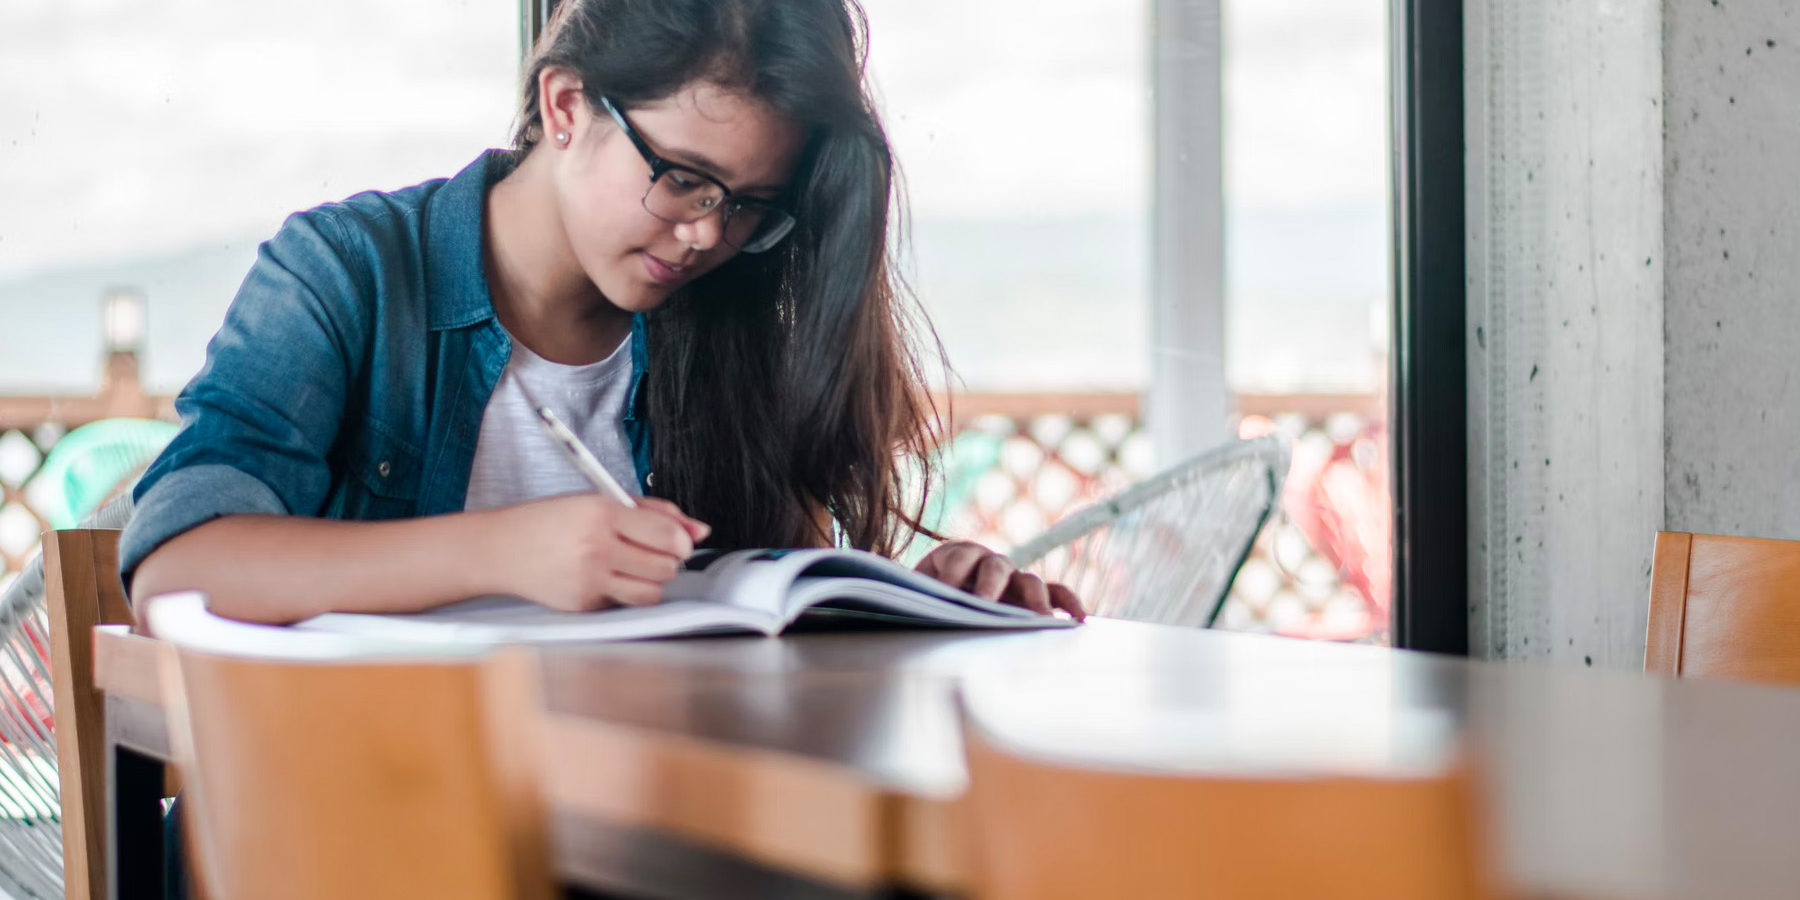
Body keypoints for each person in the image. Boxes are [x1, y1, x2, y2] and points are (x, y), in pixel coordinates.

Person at [123, 0, 1085, 626]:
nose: (708, 235)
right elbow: (179, 565)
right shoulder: (350, 271)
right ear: (568, 104)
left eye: (748, 203)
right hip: (345, 815)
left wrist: (926, 599)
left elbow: (775, 618)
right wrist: (507, 549)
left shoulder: (725, 324)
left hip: (622, 822)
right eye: (685, 180)